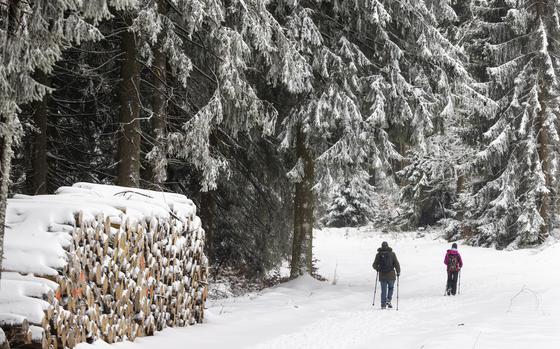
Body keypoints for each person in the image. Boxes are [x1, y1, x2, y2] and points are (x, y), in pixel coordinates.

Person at [372, 241, 401, 309]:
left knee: (383, 290)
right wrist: (398, 272)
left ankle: (383, 304)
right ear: (387, 246)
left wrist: (378, 269)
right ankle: (388, 300)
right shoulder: (392, 254)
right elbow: (396, 264)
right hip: (391, 274)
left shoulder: (378, 254)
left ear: (382, 246)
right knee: (391, 288)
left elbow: (374, 265)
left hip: (382, 275)